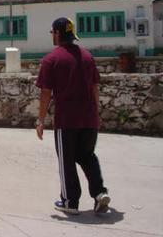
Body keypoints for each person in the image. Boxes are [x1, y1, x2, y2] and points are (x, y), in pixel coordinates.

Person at [35, 17, 110, 215]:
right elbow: (95, 87)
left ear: (58, 33)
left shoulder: (52, 59)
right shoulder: (87, 56)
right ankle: (100, 193)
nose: (52, 35)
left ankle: (70, 201)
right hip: (89, 118)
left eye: (52, 32)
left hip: (67, 119)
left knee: (66, 160)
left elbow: (46, 93)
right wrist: (97, 113)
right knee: (87, 156)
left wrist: (40, 120)